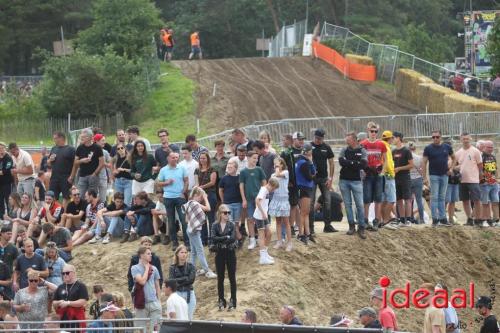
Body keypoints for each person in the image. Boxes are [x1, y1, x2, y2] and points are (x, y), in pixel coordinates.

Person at [423, 130, 456, 226]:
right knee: (435, 197)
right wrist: (424, 177)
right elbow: (424, 162)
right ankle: (435, 219)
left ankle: (443, 218)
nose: (435, 139)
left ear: (441, 137)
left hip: (444, 175)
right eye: (433, 137)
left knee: (442, 197)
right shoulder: (428, 148)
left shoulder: (447, 147)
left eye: (437, 137)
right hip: (434, 175)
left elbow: (454, 158)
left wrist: (451, 169)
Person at [339, 131, 368, 238]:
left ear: (354, 140)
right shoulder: (344, 150)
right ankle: (351, 225)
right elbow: (341, 161)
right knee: (347, 204)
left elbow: (363, 164)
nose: (346, 141)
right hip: (344, 180)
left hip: (356, 181)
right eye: (346, 139)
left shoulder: (362, 150)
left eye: (348, 139)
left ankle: (361, 227)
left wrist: (349, 162)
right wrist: (355, 163)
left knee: (360, 205)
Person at [158, 152, 189, 250]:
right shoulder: (163, 170)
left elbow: (186, 180)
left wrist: (183, 191)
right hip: (168, 197)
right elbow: (158, 183)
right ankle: (174, 242)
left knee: (183, 220)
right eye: (172, 157)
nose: (175, 159)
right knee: (170, 221)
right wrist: (166, 182)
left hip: (180, 197)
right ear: (168, 158)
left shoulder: (182, 168)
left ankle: (187, 242)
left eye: (176, 157)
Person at [183, 187, 217, 278]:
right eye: (201, 197)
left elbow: (186, 220)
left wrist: (193, 221)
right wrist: (206, 198)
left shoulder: (189, 203)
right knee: (200, 251)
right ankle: (207, 270)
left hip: (190, 230)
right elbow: (208, 208)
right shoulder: (195, 203)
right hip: (194, 231)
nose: (202, 199)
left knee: (194, 252)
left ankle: (192, 270)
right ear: (196, 195)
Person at [309, 129, 336, 234]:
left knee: (327, 201)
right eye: (316, 138)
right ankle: (311, 228)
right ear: (314, 137)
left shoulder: (326, 147)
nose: (318, 140)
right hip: (312, 178)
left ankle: (327, 226)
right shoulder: (309, 146)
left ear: (323, 138)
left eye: (320, 139)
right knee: (311, 202)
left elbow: (331, 163)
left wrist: (330, 179)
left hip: (324, 178)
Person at [211, 204, 238, 310]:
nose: (228, 214)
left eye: (229, 212)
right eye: (225, 212)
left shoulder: (231, 224)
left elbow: (232, 238)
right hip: (219, 253)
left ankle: (233, 300)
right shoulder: (215, 225)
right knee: (220, 278)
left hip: (230, 252)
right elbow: (213, 238)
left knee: (232, 278)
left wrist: (220, 238)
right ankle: (221, 300)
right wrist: (225, 237)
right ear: (220, 214)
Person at [239, 150, 267, 250]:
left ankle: (260, 239)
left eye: (257, 158)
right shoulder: (243, 172)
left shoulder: (259, 170)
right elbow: (241, 186)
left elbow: (264, 183)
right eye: (254, 158)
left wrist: (263, 196)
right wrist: (244, 199)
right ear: (248, 158)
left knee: (259, 220)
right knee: (250, 219)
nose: (256, 160)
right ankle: (252, 239)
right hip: (249, 199)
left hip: (258, 199)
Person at [131, 246, 162, 333]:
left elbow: (157, 286)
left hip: (154, 302)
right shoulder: (134, 268)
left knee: (156, 330)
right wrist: (147, 268)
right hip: (141, 303)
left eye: (150, 253)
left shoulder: (154, 268)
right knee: (142, 329)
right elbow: (142, 282)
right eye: (148, 254)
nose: (150, 255)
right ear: (141, 255)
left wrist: (159, 301)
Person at [455, 132, 483, 226]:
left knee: (477, 200)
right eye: (464, 139)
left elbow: (480, 165)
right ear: (461, 139)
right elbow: (455, 165)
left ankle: (478, 219)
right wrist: (455, 168)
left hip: (473, 180)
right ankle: (469, 219)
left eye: (467, 138)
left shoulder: (475, 151)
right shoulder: (458, 153)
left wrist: (480, 175)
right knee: (465, 200)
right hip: (462, 180)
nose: (465, 140)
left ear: (470, 139)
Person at [53, 264, 89, 331]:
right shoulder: (60, 287)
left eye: (67, 273)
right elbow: (54, 302)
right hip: (62, 318)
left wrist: (68, 303)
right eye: (63, 273)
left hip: (76, 318)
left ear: (74, 273)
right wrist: (59, 302)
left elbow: (83, 301)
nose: (65, 275)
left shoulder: (81, 286)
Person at [281, 132, 304, 236]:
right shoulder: (286, 152)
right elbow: (283, 167)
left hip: (302, 183)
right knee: (293, 205)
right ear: (293, 140)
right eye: (299, 139)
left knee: (298, 206)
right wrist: (288, 180)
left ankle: (300, 229)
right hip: (292, 183)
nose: (301, 141)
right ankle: (291, 227)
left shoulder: (303, 151)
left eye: (302, 139)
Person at [69, 128, 104, 197]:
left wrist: (94, 174)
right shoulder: (80, 148)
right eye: (81, 136)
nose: (81, 138)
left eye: (83, 137)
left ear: (89, 137)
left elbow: (102, 163)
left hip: (93, 176)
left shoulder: (97, 148)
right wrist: (82, 160)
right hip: (82, 176)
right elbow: (75, 162)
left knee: (92, 197)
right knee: (80, 196)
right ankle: (81, 208)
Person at [194, 152, 218, 245]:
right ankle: (203, 239)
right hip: (200, 196)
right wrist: (198, 191)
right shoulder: (197, 170)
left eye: (204, 158)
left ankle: (212, 239)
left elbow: (212, 182)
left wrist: (201, 187)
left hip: (210, 195)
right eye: (201, 158)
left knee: (211, 218)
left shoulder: (213, 169)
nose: (202, 160)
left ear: (208, 159)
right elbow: (196, 182)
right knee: (201, 218)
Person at [295, 143, 316, 244]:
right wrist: (313, 174)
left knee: (306, 212)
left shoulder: (302, 161)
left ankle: (307, 234)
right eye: (311, 150)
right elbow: (311, 176)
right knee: (303, 213)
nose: (312, 152)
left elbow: (312, 173)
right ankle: (301, 234)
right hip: (304, 188)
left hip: (304, 188)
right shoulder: (303, 162)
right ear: (307, 152)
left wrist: (311, 162)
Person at [254, 178, 279, 264]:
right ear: (270, 184)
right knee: (261, 236)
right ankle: (262, 258)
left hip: (264, 215)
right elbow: (257, 200)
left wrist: (265, 213)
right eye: (273, 188)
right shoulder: (264, 190)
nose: (273, 190)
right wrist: (262, 213)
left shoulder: (267, 191)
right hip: (260, 216)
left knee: (269, 233)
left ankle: (265, 253)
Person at [269, 158, 292, 250]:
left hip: (284, 200)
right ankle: (279, 242)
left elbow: (278, 174)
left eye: (277, 164)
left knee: (286, 222)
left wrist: (277, 168)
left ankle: (289, 243)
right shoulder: (272, 175)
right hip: (276, 199)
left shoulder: (285, 172)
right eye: (274, 164)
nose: (275, 166)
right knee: (278, 222)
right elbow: (271, 186)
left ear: (282, 165)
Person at [48, 132, 75, 210]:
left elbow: (75, 165)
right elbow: (48, 163)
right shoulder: (54, 148)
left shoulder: (71, 149)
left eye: (55, 138)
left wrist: (72, 176)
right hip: (54, 177)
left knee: (66, 197)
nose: (54, 140)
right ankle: (53, 214)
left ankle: (64, 215)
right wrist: (50, 160)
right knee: (52, 196)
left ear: (61, 138)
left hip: (66, 177)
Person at [219, 161, 243, 247]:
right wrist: (223, 201)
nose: (228, 169)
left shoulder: (239, 178)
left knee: (236, 223)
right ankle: (239, 238)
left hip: (238, 203)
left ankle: (235, 241)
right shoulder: (224, 178)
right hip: (228, 203)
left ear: (236, 168)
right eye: (228, 167)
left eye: (231, 167)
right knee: (231, 223)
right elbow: (220, 190)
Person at [169, 245, 196, 320]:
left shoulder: (191, 266)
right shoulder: (172, 267)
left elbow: (191, 280)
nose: (184, 254)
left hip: (189, 293)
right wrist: (185, 278)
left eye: (185, 252)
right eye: (181, 252)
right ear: (177, 254)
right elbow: (171, 281)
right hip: (178, 293)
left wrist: (178, 280)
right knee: (179, 318)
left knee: (189, 317)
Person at [392, 132, 414, 226]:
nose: (392, 139)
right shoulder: (393, 151)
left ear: (399, 138)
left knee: (407, 199)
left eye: (394, 137)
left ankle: (408, 219)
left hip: (405, 177)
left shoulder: (406, 150)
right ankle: (402, 220)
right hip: (396, 178)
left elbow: (411, 165)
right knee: (399, 200)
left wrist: (399, 168)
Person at [480, 141, 499, 226]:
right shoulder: (481, 156)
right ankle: (485, 219)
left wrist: (497, 178)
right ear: (484, 147)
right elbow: (480, 170)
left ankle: (496, 220)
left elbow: (495, 169)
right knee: (485, 202)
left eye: (491, 147)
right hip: (484, 184)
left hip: (494, 183)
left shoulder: (493, 157)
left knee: (495, 202)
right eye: (488, 147)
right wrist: (485, 178)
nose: (490, 149)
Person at [112, 141, 133, 207]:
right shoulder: (116, 158)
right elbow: (113, 169)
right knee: (118, 202)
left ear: (125, 148)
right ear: (117, 151)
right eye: (118, 149)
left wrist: (124, 170)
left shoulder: (129, 158)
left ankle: (126, 216)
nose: (120, 150)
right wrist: (114, 172)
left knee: (127, 202)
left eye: (122, 148)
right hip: (118, 181)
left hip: (128, 181)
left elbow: (133, 170)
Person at [408, 142, 425, 224]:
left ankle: (410, 217)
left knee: (409, 200)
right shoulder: (419, 158)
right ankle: (422, 219)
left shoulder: (406, 158)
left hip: (409, 179)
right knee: (419, 200)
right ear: (414, 149)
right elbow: (422, 170)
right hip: (418, 179)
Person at [94, 134, 112, 203]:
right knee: (94, 198)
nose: (104, 142)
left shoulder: (105, 152)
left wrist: (104, 164)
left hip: (103, 178)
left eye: (104, 140)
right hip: (93, 178)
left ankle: (102, 212)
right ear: (96, 141)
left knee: (103, 199)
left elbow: (111, 165)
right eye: (103, 140)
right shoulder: (91, 152)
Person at [0, 142, 14, 218]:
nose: (0, 150)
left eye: (2, 148)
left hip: (7, 183)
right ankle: (1, 217)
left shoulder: (8, 158)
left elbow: (6, 170)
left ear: (5, 149)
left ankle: (10, 216)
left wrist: (2, 172)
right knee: (0, 201)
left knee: (8, 200)